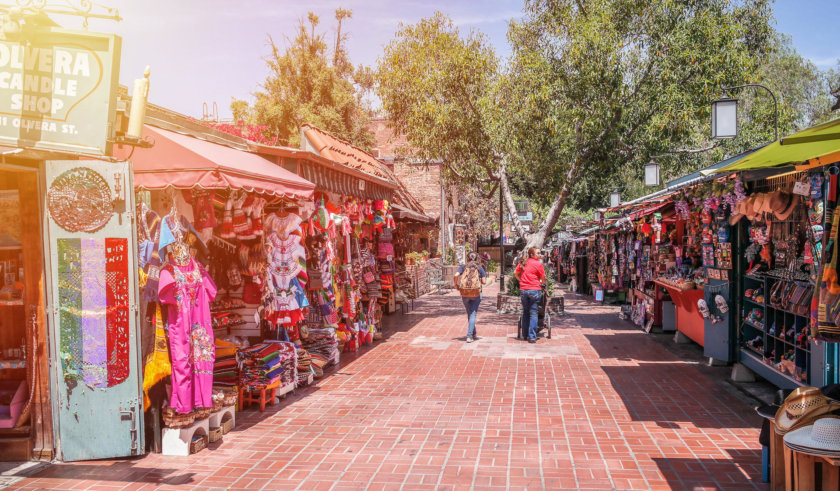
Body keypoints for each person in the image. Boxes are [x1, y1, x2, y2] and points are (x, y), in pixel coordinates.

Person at [453, 251, 487, 343]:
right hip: (476, 293)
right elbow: (484, 282)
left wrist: (456, 285)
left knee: (470, 313)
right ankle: (469, 336)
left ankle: (473, 332)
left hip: (464, 293)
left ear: (467, 259)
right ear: (477, 259)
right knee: (473, 314)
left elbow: (456, 275)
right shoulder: (479, 268)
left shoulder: (463, 267)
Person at [515, 247, 546, 343]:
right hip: (534, 290)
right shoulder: (538, 264)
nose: (539, 254)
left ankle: (524, 334)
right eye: (538, 253)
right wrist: (542, 283)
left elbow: (515, 273)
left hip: (524, 290)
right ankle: (532, 336)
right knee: (533, 313)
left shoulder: (523, 262)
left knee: (525, 312)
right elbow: (543, 277)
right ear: (532, 255)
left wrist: (521, 280)